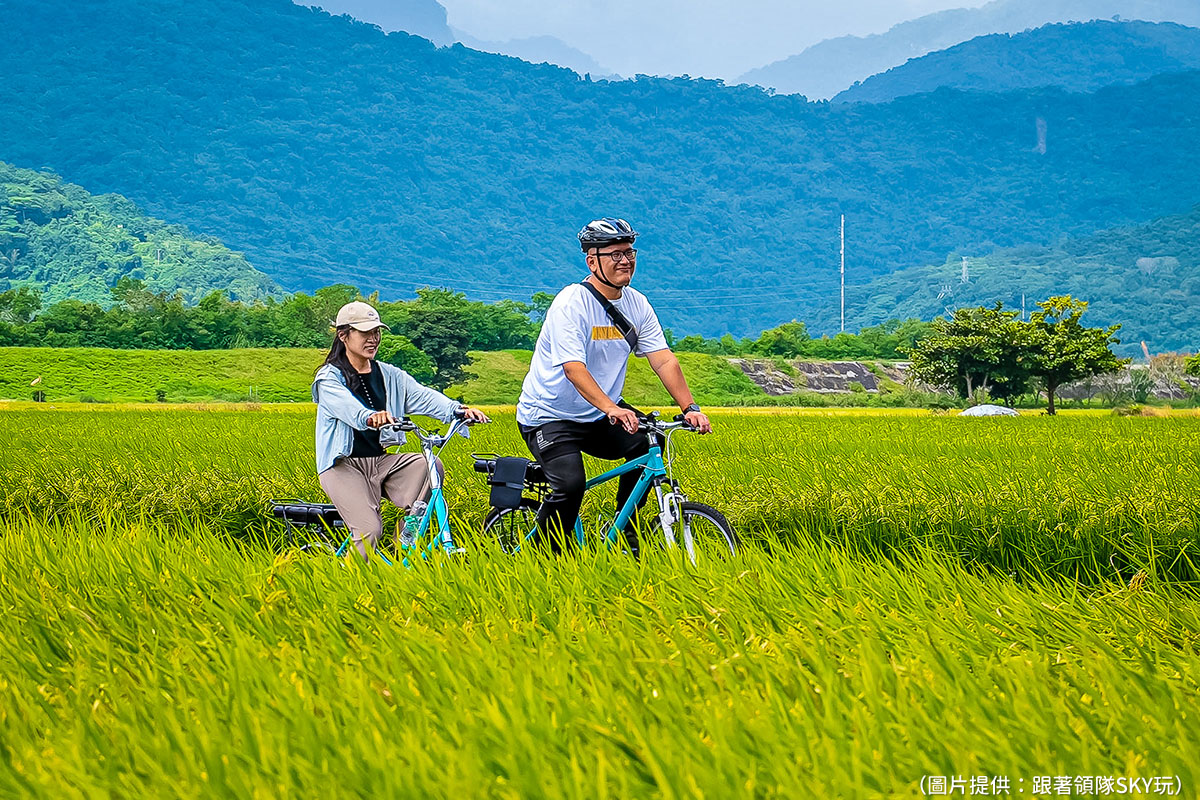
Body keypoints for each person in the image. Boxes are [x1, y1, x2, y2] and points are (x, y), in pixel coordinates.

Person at [516, 217, 712, 552]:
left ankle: (624, 528)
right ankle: (547, 560)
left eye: (629, 252)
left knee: (648, 443)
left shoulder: (637, 304)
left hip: (598, 415)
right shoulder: (571, 303)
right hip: (549, 416)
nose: (625, 260)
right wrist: (611, 407)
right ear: (592, 261)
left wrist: (689, 407)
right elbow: (573, 368)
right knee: (571, 485)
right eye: (615, 254)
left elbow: (663, 359)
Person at [313, 300, 489, 559]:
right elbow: (347, 407)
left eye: (376, 332)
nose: (373, 339)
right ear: (344, 335)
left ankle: (404, 541)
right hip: (342, 467)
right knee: (368, 530)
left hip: (381, 462)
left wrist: (458, 411)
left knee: (429, 467)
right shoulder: (329, 378)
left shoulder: (389, 375)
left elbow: (424, 396)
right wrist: (371, 417)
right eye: (365, 333)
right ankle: (348, 583)